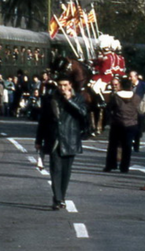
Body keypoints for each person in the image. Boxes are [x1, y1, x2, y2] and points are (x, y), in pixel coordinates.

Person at [35, 75, 88, 210]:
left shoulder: (78, 98)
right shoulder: (50, 99)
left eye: (65, 85)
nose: (62, 88)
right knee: (56, 170)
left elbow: (82, 114)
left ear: (70, 85)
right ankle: (57, 199)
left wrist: (69, 100)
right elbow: (43, 121)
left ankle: (61, 196)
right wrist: (38, 140)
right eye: (60, 85)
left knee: (66, 171)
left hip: (70, 139)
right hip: (54, 138)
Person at [104, 78, 140, 173]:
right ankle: (124, 167)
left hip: (117, 122)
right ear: (131, 87)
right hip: (131, 124)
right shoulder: (136, 97)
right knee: (127, 146)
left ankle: (110, 165)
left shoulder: (116, 97)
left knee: (113, 145)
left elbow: (109, 108)